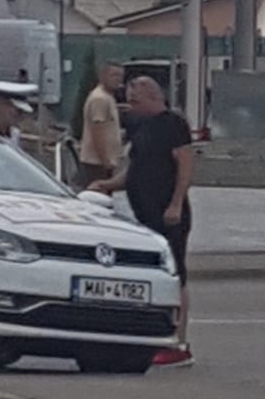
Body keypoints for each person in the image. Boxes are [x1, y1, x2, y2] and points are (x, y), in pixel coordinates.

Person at [93, 75, 194, 366]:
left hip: (169, 213)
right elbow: (135, 170)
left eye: (135, 101)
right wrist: (107, 185)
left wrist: (176, 203)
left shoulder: (173, 124)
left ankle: (178, 342)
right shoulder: (141, 128)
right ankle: (152, 335)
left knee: (175, 275)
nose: (131, 107)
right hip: (145, 214)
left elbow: (185, 165)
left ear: (153, 96)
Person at [78, 61, 124, 186]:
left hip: (104, 162)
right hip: (96, 163)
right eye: (114, 75)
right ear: (102, 76)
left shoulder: (108, 97)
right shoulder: (99, 99)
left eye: (120, 76)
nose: (118, 79)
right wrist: (106, 162)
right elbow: (97, 132)